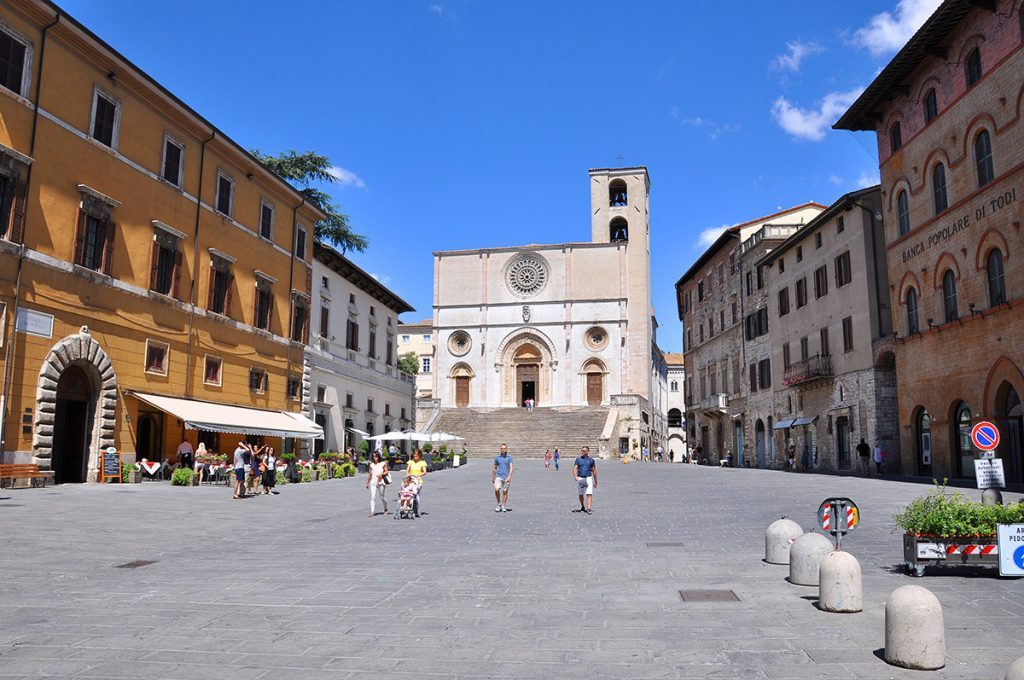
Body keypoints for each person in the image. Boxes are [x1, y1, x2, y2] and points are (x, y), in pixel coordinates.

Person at [573, 446, 598, 514]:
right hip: (580, 478)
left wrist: (595, 481)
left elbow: (594, 470)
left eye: (583, 451)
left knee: (589, 493)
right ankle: (582, 506)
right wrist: (575, 476)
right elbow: (575, 468)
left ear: (587, 452)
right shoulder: (578, 459)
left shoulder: (591, 460)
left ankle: (589, 508)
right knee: (581, 494)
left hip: (588, 478)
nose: (582, 452)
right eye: (581, 451)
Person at [366, 451, 389, 516]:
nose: (374, 458)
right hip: (373, 482)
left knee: (382, 497)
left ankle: (386, 509)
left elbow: (386, 472)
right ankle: (372, 511)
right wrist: (367, 483)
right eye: (373, 456)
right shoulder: (371, 465)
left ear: (378, 456)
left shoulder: (383, 463)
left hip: (381, 481)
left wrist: (381, 475)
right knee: (373, 497)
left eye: (376, 456)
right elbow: (370, 474)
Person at [492, 443, 514, 512]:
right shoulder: (497, 457)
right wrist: (493, 477)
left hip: (506, 477)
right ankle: (499, 504)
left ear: (506, 449)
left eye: (504, 448)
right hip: (499, 476)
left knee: (505, 491)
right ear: (500, 449)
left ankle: (503, 505)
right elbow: (494, 467)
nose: (503, 450)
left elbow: (511, 467)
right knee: (497, 489)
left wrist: (509, 476)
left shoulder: (509, 457)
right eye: (502, 448)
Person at [405, 449, 427, 516]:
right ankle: (409, 508)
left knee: (416, 495)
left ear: (419, 455)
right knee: (409, 494)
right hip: (411, 480)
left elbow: (425, 472)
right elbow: (407, 470)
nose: (415, 456)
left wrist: (419, 475)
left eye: (416, 454)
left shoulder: (422, 462)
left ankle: (417, 510)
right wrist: (407, 476)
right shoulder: (410, 462)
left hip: (418, 481)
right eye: (414, 454)